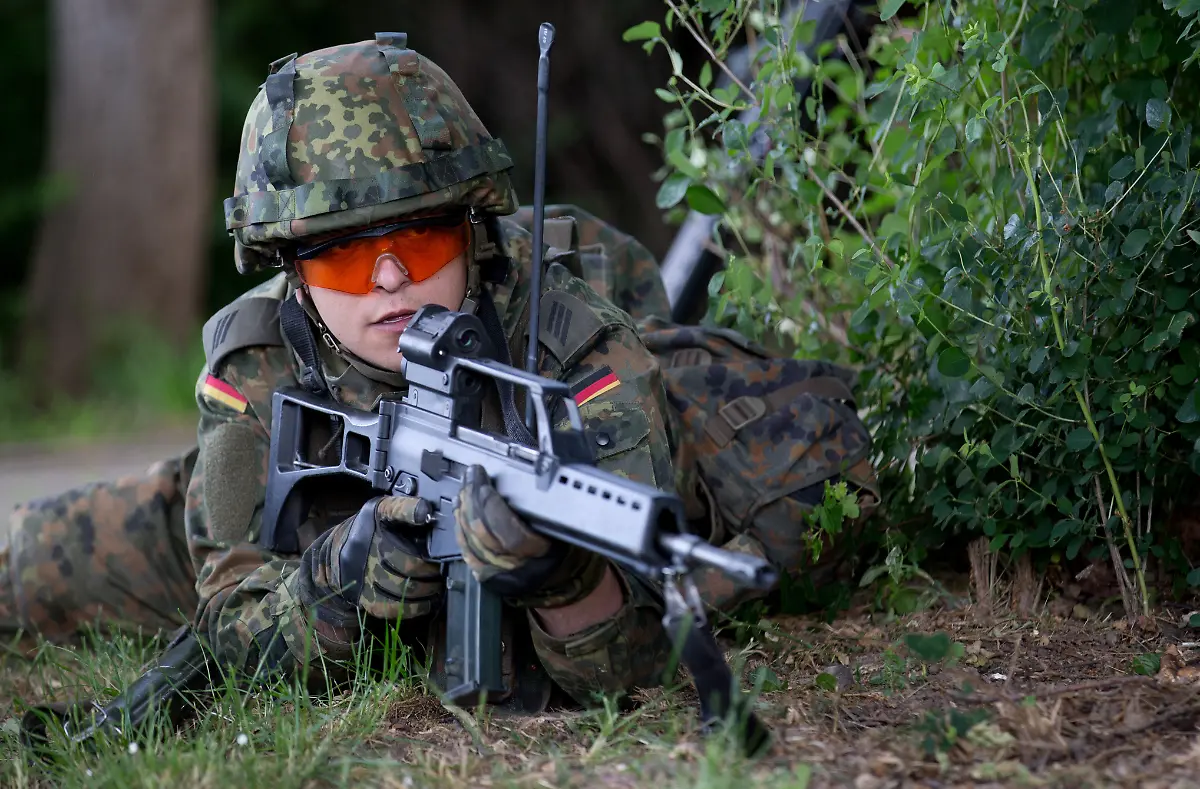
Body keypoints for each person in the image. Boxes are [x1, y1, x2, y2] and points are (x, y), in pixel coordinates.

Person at [3, 33, 880, 724]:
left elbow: (635, 672)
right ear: (292, 269)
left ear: (471, 226)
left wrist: (560, 579)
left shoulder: (579, 351)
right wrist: (339, 577)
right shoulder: (258, 360)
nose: (389, 280)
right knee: (33, 566)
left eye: (419, 242)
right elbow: (233, 624)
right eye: (345, 256)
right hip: (297, 526)